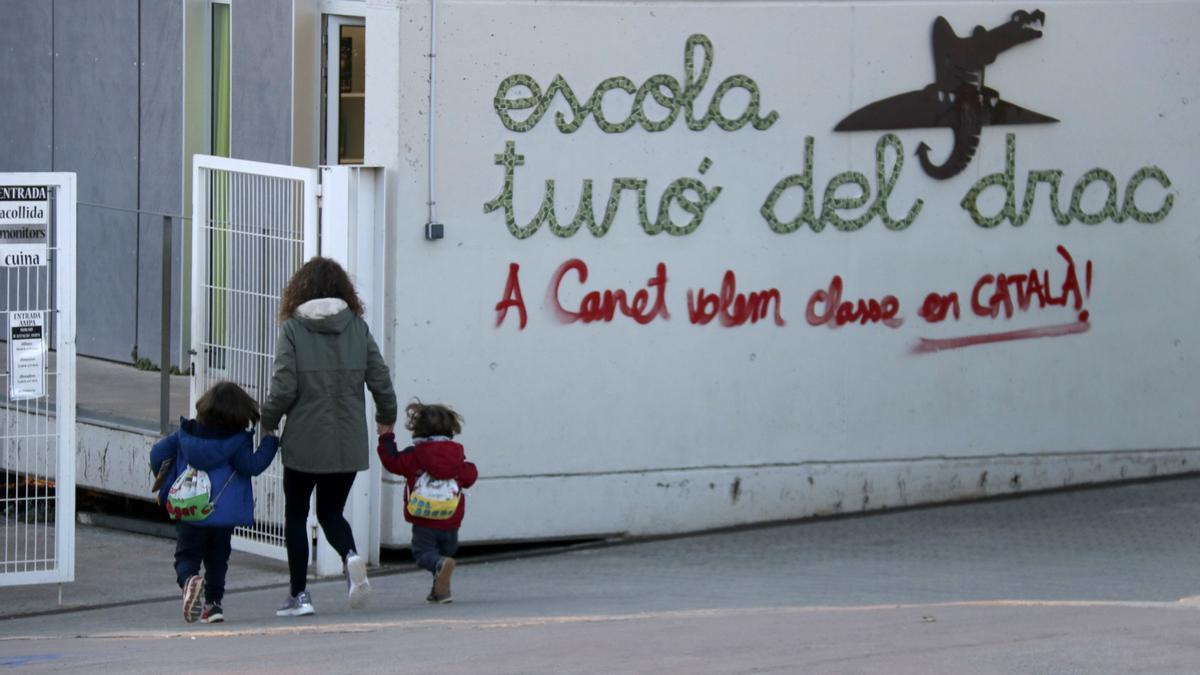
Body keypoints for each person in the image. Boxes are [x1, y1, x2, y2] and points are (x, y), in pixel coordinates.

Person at [262, 256, 398, 617]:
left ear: (299, 289)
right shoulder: (357, 327)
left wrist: (268, 421)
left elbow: (284, 387)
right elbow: (381, 380)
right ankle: (351, 556)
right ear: (343, 289)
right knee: (331, 512)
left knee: (296, 515)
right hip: (348, 439)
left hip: (305, 440)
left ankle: (299, 595)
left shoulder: (293, 329)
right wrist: (387, 418)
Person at [149, 381, 279, 624]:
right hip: (222, 515)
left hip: (189, 509)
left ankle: (189, 581)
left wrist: (168, 473)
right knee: (218, 560)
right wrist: (270, 442)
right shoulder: (238, 441)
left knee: (186, 556)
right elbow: (252, 466)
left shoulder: (185, 433)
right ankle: (213, 606)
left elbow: (157, 455)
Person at [378, 401, 478, 603]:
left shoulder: (413, 456)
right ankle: (440, 592)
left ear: (418, 430)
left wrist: (386, 437)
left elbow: (392, 461)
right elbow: (470, 476)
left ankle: (440, 567)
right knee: (443, 555)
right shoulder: (456, 457)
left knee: (425, 554)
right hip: (451, 520)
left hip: (424, 519)